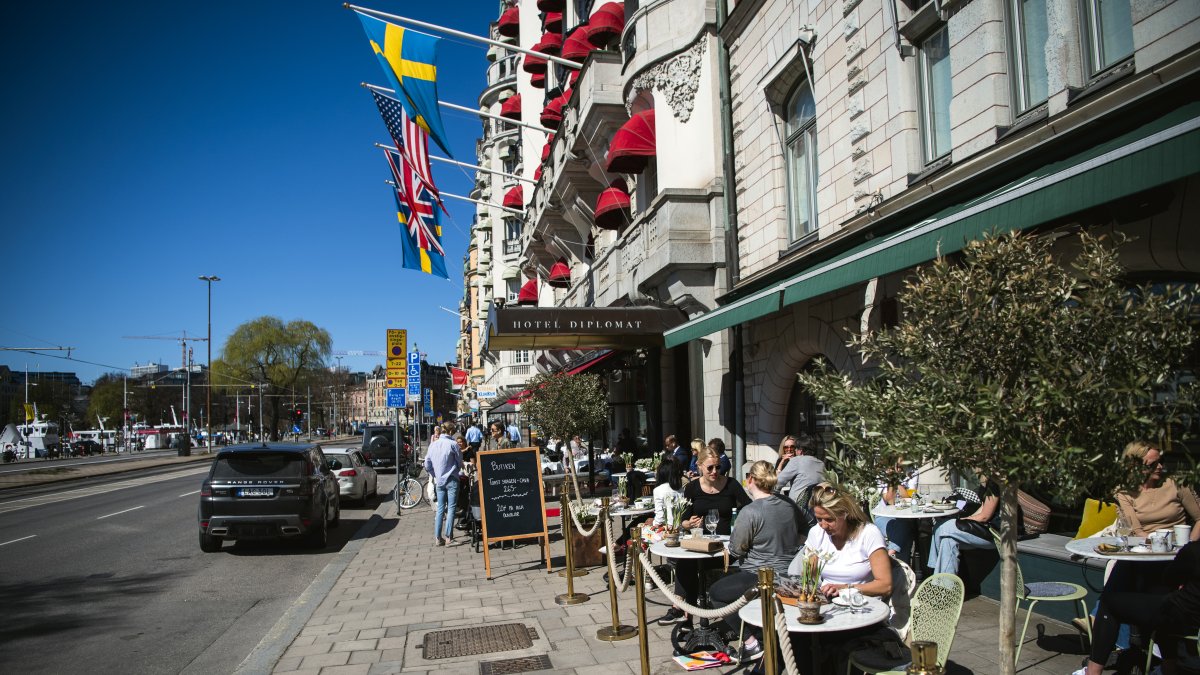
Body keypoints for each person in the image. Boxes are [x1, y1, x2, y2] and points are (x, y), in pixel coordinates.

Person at [787, 482, 893, 674]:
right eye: (818, 519)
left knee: (815, 641)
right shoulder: (817, 533)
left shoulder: (868, 533)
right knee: (791, 637)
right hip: (828, 606)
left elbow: (885, 585)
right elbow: (809, 577)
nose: (823, 525)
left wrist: (844, 588)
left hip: (862, 611)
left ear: (844, 513)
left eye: (829, 519)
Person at [709, 461, 807, 661]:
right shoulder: (788, 504)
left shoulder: (751, 511)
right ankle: (760, 634)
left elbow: (736, 549)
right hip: (790, 573)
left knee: (716, 594)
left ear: (750, 480)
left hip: (759, 575)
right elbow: (806, 530)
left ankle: (751, 642)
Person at [1074, 541, 1200, 675]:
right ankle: (1167, 668)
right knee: (1162, 599)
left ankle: (1092, 672)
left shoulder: (1194, 550)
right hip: (1191, 618)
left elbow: (1170, 578)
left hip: (1183, 614)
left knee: (1108, 603)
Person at [659, 446, 752, 626]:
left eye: (718, 467)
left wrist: (739, 523)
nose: (715, 471)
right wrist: (688, 523)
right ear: (700, 466)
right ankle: (682, 609)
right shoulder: (692, 488)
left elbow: (748, 508)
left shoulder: (731, 484)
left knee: (691, 564)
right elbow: (683, 520)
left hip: (726, 547)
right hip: (702, 542)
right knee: (688, 561)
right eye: (710, 468)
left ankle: (684, 613)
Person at [1116, 440, 1200, 541]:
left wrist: (1189, 544)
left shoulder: (1176, 483)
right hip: (1145, 545)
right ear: (1135, 465)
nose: (1160, 467)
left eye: (1161, 461)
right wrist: (1159, 546)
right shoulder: (1125, 493)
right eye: (1153, 464)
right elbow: (1137, 532)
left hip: (1179, 546)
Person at [927, 472, 999, 575]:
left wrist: (964, 520)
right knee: (947, 541)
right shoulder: (987, 482)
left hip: (995, 533)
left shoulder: (995, 482)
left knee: (942, 527)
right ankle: (946, 587)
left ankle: (932, 570)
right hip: (985, 529)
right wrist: (967, 518)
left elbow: (984, 516)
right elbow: (982, 508)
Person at [424, 424, 463, 547]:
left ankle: (437, 538)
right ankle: (449, 538)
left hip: (439, 481)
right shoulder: (453, 444)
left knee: (440, 509)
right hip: (452, 479)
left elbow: (427, 464)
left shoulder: (433, 445)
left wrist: (435, 474)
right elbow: (459, 462)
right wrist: (456, 469)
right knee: (451, 508)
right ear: (451, 431)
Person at [873, 461, 920, 561]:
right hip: (884, 516)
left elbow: (909, 497)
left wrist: (897, 480)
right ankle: (902, 568)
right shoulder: (881, 472)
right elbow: (890, 500)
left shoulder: (912, 470)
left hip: (906, 515)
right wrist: (891, 479)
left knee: (905, 527)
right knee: (906, 530)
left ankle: (890, 556)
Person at [774, 434, 824, 501]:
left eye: (795, 448)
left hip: (798, 504)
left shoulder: (797, 460)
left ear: (800, 451)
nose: (794, 451)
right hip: (815, 502)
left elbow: (778, 482)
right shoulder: (821, 464)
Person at [650, 460, 685, 526]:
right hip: (680, 527)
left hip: (666, 529)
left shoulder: (658, 490)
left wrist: (653, 523)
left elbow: (660, 518)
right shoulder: (681, 489)